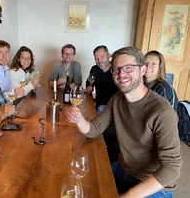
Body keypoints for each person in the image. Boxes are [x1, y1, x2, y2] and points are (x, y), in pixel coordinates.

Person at [67, 47, 181, 197]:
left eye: (128, 68)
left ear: (142, 70)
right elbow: (94, 129)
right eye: (117, 69)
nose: (121, 74)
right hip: (122, 169)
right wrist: (79, 119)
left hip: (152, 183)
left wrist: (128, 196)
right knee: (78, 185)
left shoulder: (162, 110)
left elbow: (172, 168)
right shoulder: (118, 99)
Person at [86, 45, 119, 114]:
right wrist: (89, 88)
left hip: (114, 108)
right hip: (99, 106)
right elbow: (89, 83)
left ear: (109, 55)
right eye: (96, 58)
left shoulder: (117, 70)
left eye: (102, 57)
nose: (99, 61)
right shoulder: (94, 69)